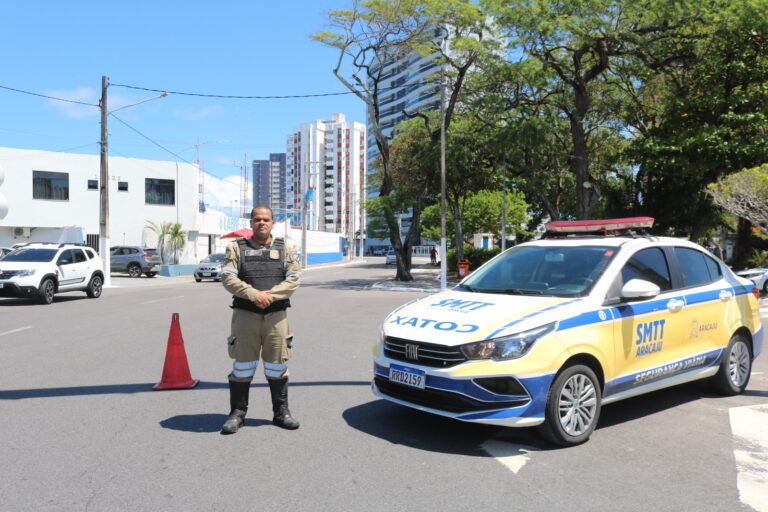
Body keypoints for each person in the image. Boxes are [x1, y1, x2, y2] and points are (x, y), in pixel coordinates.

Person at [219, 205, 301, 434]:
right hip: (245, 316)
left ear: (273, 222)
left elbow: (293, 280)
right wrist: (253, 294)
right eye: (257, 219)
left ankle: (281, 413)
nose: (261, 223)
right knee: (242, 366)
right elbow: (227, 278)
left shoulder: (287, 248)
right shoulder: (236, 248)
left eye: (266, 219)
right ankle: (237, 414)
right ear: (251, 223)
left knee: (277, 366)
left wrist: (268, 296)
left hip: (276, 317)